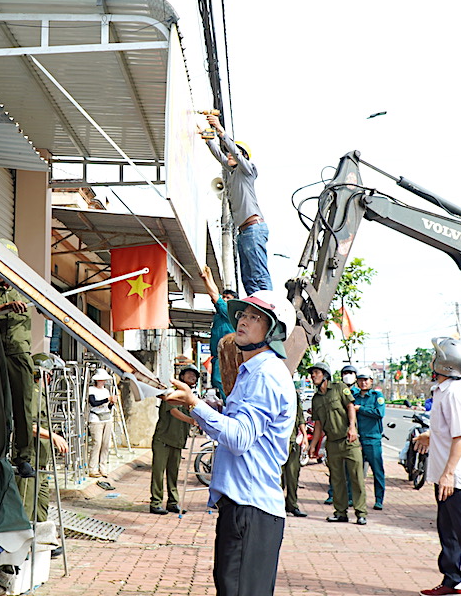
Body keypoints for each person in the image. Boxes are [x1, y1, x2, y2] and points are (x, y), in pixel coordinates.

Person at [164, 290, 296, 596]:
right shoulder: (253, 372)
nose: (243, 321)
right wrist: (206, 409)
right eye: (243, 314)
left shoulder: (264, 374)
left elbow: (238, 438)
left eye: (255, 317)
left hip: (251, 508)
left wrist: (195, 404)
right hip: (244, 506)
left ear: (273, 331)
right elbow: (238, 427)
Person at [413, 337, 461, 596]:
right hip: (444, 475)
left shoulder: (455, 392)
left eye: (435, 357)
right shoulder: (442, 389)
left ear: (445, 364)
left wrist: (448, 474)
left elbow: (460, 436)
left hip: (455, 478)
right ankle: (452, 580)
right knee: (448, 531)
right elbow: (448, 430)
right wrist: (429, 436)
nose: (432, 361)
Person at [0, 241, 37, 478]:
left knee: (23, 407)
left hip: (18, 353)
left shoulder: (24, 288)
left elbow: (45, 306)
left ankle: (23, 457)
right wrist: (4, 306)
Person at [202, 113, 270, 294]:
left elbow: (236, 155)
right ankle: (256, 307)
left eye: (233, 152)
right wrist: (207, 137)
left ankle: (269, 305)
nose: (228, 155)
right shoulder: (232, 174)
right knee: (248, 278)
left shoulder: (248, 171)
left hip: (254, 228)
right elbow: (219, 155)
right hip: (245, 231)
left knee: (259, 274)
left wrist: (220, 130)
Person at [309, 363, 366, 524]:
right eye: (312, 373)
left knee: (356, 477)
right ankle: (340, 512)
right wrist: (314, 445)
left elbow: (350, 407)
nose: (313, 376)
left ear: (325, 375)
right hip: (332, 444)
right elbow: (318, 424)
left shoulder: (339, 388)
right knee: (337, 479)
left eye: (316, 373)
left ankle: (361, 512)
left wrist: (352, 427)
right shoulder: (316, 399)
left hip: (349, 441)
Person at [18, 354, 69, 522]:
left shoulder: (42, 393)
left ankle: (42, 542)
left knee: (41, 506)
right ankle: (25, 545)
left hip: (41, 460)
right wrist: (53, 436)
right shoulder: (33, 392)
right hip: (30, 460)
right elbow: (29, 426)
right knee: (26, 506)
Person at [150, 366, 200, 514]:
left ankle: (173, 502)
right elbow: (173, 410)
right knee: (158, 473)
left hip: (178, 441)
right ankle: (156, 503)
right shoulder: (172, 392)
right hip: (163, 439)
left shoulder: (191, 396)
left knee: (174, 474)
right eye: (189, 374)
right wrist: (191, 421)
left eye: (194, 375)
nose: (192, 377)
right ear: (182, 376)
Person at [353, 370, 387, 510]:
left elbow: (379, 413)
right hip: (357, 438)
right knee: (355, 471)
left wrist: (360, 408)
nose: (363, 382)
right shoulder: (354, 396)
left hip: (372, 438)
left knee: (377, 471)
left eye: (366, 380)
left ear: (371, 381)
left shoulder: (376, 396)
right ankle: (353, 498)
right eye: (360, 380)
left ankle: (379, 500)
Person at [203, 267, 238, 399]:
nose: (224, 299)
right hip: (219, 355)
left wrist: (207, 278)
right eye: (224, 297)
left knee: (220, 381)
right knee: (218, 381)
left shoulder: (229, 311)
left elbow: (214, 295)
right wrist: (207, 278)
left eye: (227, 297)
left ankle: (228, 404)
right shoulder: (221, 314)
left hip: (225, 353)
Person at [86, 368, 117, 478]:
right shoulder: (91, 390)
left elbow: (108, 406)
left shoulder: (106, 390)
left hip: (106, 418)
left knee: (105, 444)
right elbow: (93, 403)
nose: (103, 381)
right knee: (97, 443)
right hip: (95, 419)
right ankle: (92, 467)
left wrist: (111, 402)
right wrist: (107, 399)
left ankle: (102, 467)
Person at [281, 396, 308, 517]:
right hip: (277, 441)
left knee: (293, 475)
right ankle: (277, 505)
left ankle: (292, 504)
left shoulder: (293, 394)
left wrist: (305, 436)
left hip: (292, 442)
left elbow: (300, 417)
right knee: (277, 477)